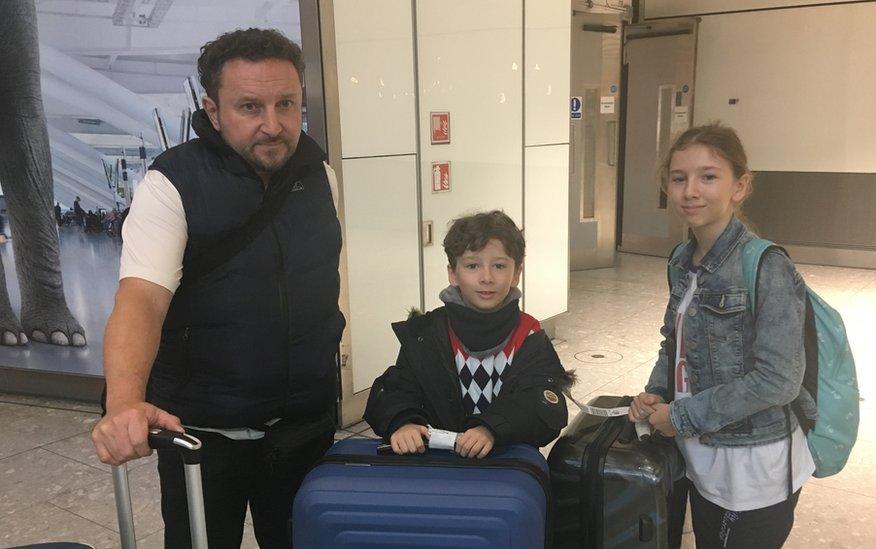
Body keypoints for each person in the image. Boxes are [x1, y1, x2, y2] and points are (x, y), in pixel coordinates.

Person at [91, 28, 344, 548]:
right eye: (249, 106)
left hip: (302, 429)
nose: (272, 125)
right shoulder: (172, 184)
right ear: (212, 110)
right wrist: (123, 403)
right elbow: (140, 300)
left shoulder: (320, 175)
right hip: (201, 439)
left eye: (286, 103)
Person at [629, 123, 815, 548]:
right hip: (702, 454)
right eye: (679, 178)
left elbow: (779, 379)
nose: (690, 190)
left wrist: (681, 417)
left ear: (740, 186)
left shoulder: (767, 267)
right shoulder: (682, 260)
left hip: (754, 467)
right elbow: (672, 342)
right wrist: (657, 392)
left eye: (708, 176)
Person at [365, 210, 573, 457]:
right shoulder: (427, 334)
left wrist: (491, 428)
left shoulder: (529, 336)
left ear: (516, 273)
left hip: (504, 465)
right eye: (472, 266)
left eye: (499, 266)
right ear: (453, 273)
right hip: (437, 465)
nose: (486, 278)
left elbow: (545, 408)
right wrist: (402, 422)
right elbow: (395, 389)